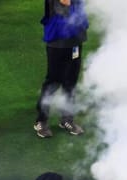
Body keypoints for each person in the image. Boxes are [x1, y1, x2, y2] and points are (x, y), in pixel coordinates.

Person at [33, 0, 88, 138]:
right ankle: (41, 120)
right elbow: (66, 2)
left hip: (75, 38)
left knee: (71, 80)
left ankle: (67, 119)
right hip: (57, 40)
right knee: (53, 81)